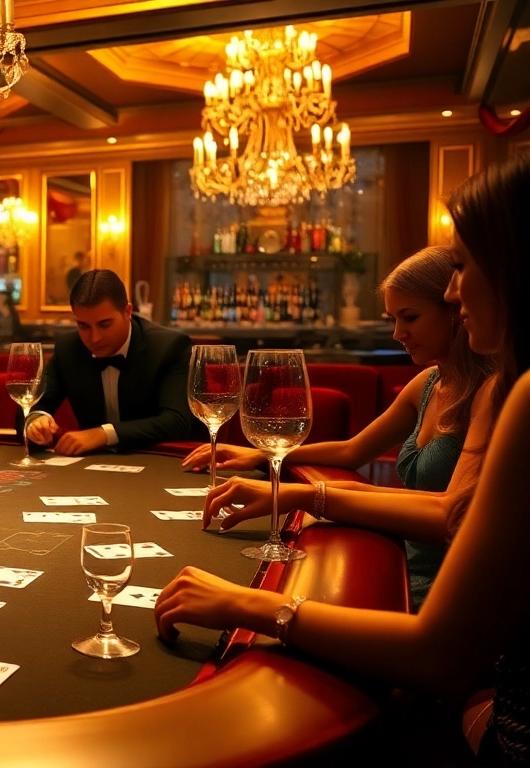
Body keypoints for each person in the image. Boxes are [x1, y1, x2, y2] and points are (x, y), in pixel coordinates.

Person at [154, 154, 530, 761]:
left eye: (462, 266)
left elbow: (441, 652)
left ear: (514, 264)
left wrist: (248, 601)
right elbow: (381, 466)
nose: (456, 291)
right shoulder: (472, 385)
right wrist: (273, 463)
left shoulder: (514, 392)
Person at [181, 247, 496, 606]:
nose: (397, 334)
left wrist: (308, 495)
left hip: (446, 591)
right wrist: (259, 455)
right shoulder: (427, 383)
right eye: (393, 319)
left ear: (454, 309)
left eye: (409, 318)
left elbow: (447, 514)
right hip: (400, 565)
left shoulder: (492, 391)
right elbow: (353, 450)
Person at [25, 268, 193, 455]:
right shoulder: (69, 348)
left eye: (104, 324)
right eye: (83, 326)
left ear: (127, 312)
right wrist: (36, 421)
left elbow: (177, 421)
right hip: (93, 471)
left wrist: (103, 434)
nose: (94, 338)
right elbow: (30, 405)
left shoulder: (168, 347)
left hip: (161, 463)